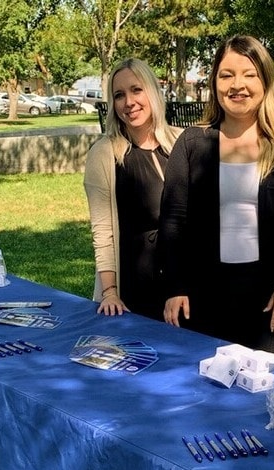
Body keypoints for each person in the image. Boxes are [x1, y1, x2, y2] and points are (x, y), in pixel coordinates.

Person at [158, 36, 274, 353]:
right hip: (201, 297)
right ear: (214, 82)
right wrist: (175, 286)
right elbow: (173, 221)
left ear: (265, 80)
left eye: (249, 74)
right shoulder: (192, 143)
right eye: (226, 75)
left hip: (272, 298)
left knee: (262, 392)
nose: (238, 85)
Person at [84, 58, 181, 319]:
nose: (129, 102)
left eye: (136, 90)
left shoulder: (182, 143)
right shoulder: (104, 154)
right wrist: (110, 292)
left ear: (151, 91)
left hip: (182, 289)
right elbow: (102, 232)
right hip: (133, 290)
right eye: (119, 95)